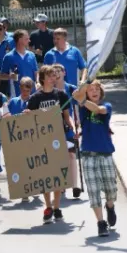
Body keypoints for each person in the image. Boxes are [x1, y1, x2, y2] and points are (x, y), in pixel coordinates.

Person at [26, 65, 75, 224]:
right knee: (45, 175)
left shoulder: (61, 94)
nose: (54, 78)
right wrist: (28, 114)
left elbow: (67, 116)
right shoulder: (35, 98)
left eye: (55, 76)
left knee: (58, 174)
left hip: (58, 138)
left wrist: (73, 129)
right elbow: (28, 121)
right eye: (50, 76)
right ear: (43, 78)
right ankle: (48, 206)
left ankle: (57, 207)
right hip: (41, 140)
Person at [72, 80, 118, 237]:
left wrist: (82, 99)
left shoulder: (108, 106)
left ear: (101, 92)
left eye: (97, 88)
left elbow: (98, 110)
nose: (94, 91)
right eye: (91, 89)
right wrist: (83, 88)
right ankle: (100, 223)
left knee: (111, 189)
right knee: (93, 190)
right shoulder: (82, 108)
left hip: (105, 153)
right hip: (88, 154)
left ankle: (110, 206)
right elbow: (77, 95)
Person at [5, 76, 38, 203]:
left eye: (28, 90)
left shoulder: (35, 100)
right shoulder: (13, 102)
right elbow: (8, 117)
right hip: (17, 138)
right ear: (20, 88)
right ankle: (25, 191)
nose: (26, 93)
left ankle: (34, 185)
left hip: (32, 137)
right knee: (21, 165)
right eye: (23, 90)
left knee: (32, 164)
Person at [53, 63, 81, 199]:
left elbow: (80, 104)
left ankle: (75, 185)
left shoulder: (71, 89)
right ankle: (62, 184)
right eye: (54, 71)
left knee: (71, 155)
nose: (57, 73)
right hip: (53, 129)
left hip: (68, 127)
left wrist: (77, 125)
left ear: (64, 72)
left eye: (59, 70)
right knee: (58, 157)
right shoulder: (49, 90)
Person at [0, 29, 38, 98]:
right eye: (27, 39)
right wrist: (10, 76)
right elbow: (1, 76)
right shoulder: (8, 57)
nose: (29, 41)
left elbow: (36, 73)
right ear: (20, 40)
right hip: (16, 94)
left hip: (32, 93)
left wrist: (38, 83)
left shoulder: (32, 55)